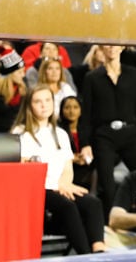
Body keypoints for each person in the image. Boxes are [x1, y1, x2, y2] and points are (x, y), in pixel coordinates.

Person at [13, 85, 106, 253]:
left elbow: (67, 166)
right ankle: (86, 256)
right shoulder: (20, 133)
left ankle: (99, 250)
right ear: (29, 105)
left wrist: (64, 184)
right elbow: (24, 170)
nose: (44, 105)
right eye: (38, 101)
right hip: (37, 189)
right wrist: (57, 187)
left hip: (59, 186)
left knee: (93, 203)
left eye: (48, 100)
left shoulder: (61, 133)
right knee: (67, 205)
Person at [78, 45, 136, 210]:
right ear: (101, 48)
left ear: (122, 47)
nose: (111, 48)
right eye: (107, 45)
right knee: (106, 183)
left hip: (130, 132)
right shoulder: (92, 77)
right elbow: (86, 113)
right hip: (104, 135)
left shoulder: (132, 74)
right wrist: (85, 143)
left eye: (115, 44)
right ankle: (111, 222)